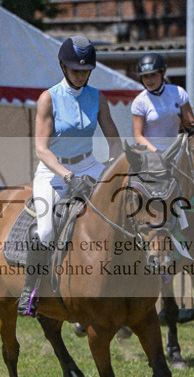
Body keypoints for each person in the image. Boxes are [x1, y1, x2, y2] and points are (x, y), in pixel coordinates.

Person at [17, 35, 121, 317]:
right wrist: (68, 177)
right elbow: (41, 149)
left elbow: (113, 139)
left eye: (87, 70)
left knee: (124, 208)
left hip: (89, 165)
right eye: (76, 70)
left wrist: (113, 165)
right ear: (63, 67)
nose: (82, 75)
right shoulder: (48, 99)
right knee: (47, 230)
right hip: (54, 170)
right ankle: (31, 289)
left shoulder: (97, 97)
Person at [131, 52, 194, 150]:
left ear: (163, 73)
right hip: (151, 151)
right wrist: (156, 153)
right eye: (145, 76)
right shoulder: (139, 102)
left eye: (153, 75)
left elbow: (192, 125)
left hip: (176, 148)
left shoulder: (178, 92)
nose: (149, 80)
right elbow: (139, 136)